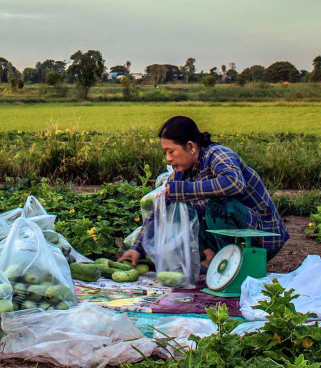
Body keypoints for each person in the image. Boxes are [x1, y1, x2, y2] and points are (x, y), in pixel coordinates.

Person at [119, 115, 288, 268]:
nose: (168, 159)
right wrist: (138, 248)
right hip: (228, 236)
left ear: (191, 146)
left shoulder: (217, 155)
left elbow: (235, 183)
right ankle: (211, 256)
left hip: (262, 236)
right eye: (165, 153)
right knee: (179, 210)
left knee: (219, 206)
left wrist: (185, 190)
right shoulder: (180, 174)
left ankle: (232, 263)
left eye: (171, 152)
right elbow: (160, 210)